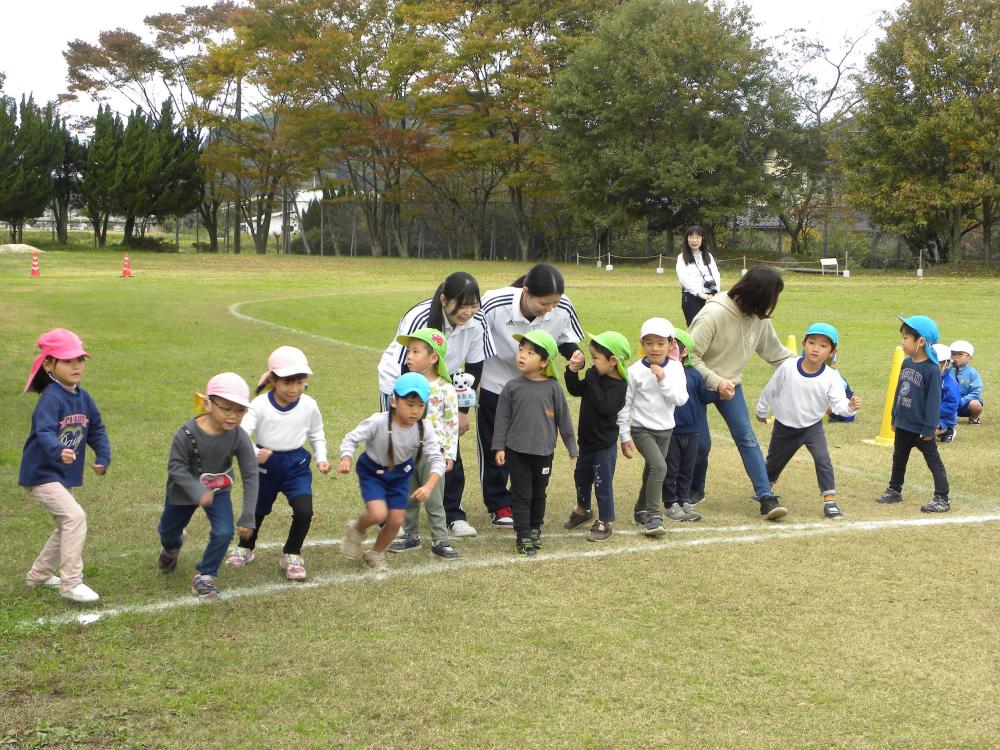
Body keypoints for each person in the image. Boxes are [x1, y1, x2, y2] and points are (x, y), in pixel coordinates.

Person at [377, 272, 489, 538]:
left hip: (442, 385)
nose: (468, 311)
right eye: (462, 305)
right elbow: (407, 363)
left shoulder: (477, 321)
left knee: (448, 448)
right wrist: (407, 410)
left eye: (473, 305)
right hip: (401, 383)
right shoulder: (420, 317)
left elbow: (473, 367)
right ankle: (393, 515)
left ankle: (453, 512)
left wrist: (462, 411)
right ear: (443, 299)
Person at [478, 264, 584, 528]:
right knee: (496, 443)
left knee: (528, 443)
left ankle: (521, 498)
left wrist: (574, 355)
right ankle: (499, 504)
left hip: (536, 387)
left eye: (554, 303)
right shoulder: (494, 302)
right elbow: (473, 341)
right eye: (543, 303)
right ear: (526, 291)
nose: (549, 309)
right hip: (497, 381)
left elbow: (565, 338)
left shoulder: (562, 305)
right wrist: (474, 385)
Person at [688, 266, 796, 520]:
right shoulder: (713, 314)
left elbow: (775, 352)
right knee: (701, 445)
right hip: (696, 385)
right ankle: (694, 488)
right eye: (772, 298)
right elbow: (688, 356)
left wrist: (809, 367)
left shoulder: (758, 317)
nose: (773, 305)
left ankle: (766, 497)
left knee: (746, 438)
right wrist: (715, 381)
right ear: (757, 295)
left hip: (730, 385)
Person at [20, 328, 111, 604]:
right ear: (49, 364)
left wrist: (103, 457)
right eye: (68, 360)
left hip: (61, 476)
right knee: (74, 517)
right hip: (41, 474)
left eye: (80, 360)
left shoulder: (83, 398)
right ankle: (71, 582)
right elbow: (45, 432)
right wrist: (60, 450)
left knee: (65, 524)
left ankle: (39, 575)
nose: (77, 366)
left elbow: (97, 429)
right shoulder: (51, 398)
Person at [226, 347, 329, 581]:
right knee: (257, 510)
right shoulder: (260, 405)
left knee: (304, 511)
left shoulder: (309, 405)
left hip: (296, 465)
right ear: (273, 379)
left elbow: (317, 433)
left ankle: (292, 553)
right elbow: (242, 434)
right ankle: (246, 546)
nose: (294, 389)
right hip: (266, 466)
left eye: (300, 382)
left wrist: (321, 457)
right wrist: (255, 452)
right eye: (287, 382)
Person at [157, 373, 259, 599]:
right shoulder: (186, 434)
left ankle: (205, 575)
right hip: (183, 491)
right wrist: (197, 491)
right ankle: (172, 546)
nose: (233, 416)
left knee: (224, 532)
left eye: (240, 410)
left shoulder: (238, 436)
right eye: (226, 409)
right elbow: (176, 468)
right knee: (167, 532)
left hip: (217, 490)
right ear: (207, 404)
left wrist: (248, 516)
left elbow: (251, 474)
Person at [340, 373, 445, 572]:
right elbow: (351, 438)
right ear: (394, 401)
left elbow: (437, 459)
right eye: (410, 404)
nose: (415, 411)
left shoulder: (424, 428)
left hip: (400, 474)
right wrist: (346, 457)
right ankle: (357, 529)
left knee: (396, 521)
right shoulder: (378, 422)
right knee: (378, 514)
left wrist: (428, 486)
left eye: (421, 405)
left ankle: (375, 554)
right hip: (373, 471)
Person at [755, 323, 862, 520]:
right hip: (784, 425)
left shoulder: (831, 377)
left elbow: (838, 405)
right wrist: (761, 411)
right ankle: (765, 491)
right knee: (773, 463)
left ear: (832, 352)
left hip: (812, 426)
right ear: (804, 344)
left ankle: (829, 501)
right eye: (812, 343)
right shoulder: (788, 367)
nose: (816, 348)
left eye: (823, 346)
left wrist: (850, 407)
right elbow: (770, 390)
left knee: (823, 459)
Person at [492, 331, 578, 556]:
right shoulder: (511, 387)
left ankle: (534, 530)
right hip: (516, 451)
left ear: (544, 361)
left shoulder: (553, 388)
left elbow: (564, 419)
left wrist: (571, 445)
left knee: (539, 493)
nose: (522, 355)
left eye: (530, 353)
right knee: (522, 494)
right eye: (521, 349)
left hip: (543, 452)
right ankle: (522, 535)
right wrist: (499, 447)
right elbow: (501, 419)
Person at [387, 329, 461, 560]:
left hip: (432, 454)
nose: (409, 356)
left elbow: (452, 423)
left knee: (434, 499)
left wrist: (449, 453)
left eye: (415, 351)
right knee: (408, 495)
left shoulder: (445, 389)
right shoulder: (402, 385)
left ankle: (440, 539)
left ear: (433, 358)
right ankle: (410, 535)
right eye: (408, 351)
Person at [617, 318, 689, 535]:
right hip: (642, 430)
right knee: (659, 467)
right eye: (649, 343)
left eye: (660, 343)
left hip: (666, 430)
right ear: (642, 344)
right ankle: (653, 516)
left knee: (651, 470)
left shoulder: (675, 368)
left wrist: (663, 379)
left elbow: (680, 399)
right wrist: (624, 434)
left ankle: (640, 509)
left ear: (671, 344)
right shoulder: (634, 371)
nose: (655, 348)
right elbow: (625, 404)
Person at [876, 316, 950, 513]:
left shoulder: (932, 370)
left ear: (922, 341)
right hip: (903, 423)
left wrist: (929, 427)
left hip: (920, 427)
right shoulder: (907, 363)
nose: (902, 342)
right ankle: (894, 489)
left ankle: (942, 497)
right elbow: (899, 391)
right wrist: (894, 417)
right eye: (902, 337)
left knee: (933, 460)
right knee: (899, 458)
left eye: (906, 338)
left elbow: (934, 402)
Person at [562, 331, 631, 542]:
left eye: (595, 358)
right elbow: (575, 389)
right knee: (581, 478)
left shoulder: (619, 386)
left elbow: (605, 407)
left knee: (602, 483)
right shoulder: (596, 377)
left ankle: (605, 520)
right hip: (587, 443)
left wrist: (591, 377)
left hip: (603, 446)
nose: (592, 363)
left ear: (612, 361)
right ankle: (583, 510)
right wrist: (572, 371)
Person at [661, 329, 718, 520]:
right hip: (672, 431)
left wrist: (721, 392)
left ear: (684, 352)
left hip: (692, 431)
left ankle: (684, 499)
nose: (669, 348)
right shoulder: (663, 372)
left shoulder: (694, 374)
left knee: (687, 468)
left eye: (674, 345)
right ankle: (670, 502)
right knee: (672, 468)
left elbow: (703, 396)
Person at [675, 225, 722, 326]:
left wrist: (715, 292)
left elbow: (716, 274)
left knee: (710, 327)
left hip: (711, 297)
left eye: (697, 237)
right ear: (687, 239)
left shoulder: (708, 256)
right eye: (691, 237)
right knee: (695, 327)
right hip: (692, 297)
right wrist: (699, 294)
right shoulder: (682, 257)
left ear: (702, 239)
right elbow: (684, 279)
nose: (694, 240)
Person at [949, 339, 983, 425]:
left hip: (966, 405)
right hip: (950, 403)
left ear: (969, 358)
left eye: (960, 354)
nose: (956, 357)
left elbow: (976, 392)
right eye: (953, 354)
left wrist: (961, 401)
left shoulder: (972, 372)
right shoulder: (946, 371)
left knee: (975, 404)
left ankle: (974, 418)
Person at [932, 344, 960, 444]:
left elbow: (951, 406)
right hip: (925, 412)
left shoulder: (949, 383)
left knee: (922, 434)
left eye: (936, 363)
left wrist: (930, 410)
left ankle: (947, 430)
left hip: (943, 417)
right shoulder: (926, 377)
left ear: (946, 364)